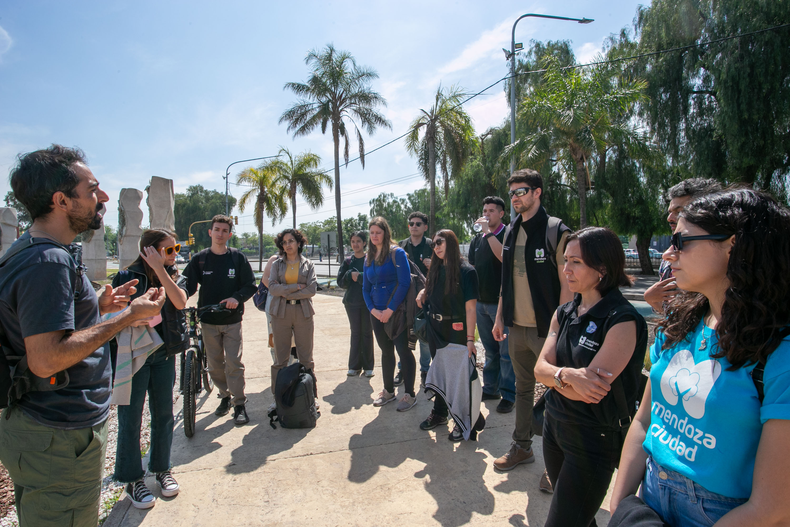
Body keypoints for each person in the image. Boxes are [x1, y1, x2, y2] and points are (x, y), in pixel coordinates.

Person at [0, 145, 166, 526]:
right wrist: (127, 316)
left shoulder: (29, 249)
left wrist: (95, 306)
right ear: (61, 200)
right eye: (92, 189)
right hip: (57, 436)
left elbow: (39, 327)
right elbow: (46, 359)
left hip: (42, 429)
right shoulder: (49, 261)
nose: (103, 197)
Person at [610, 189, 790, 526]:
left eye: (681, 241)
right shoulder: (678, 324)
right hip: (650, 498)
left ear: (733, 246)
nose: (668, 253)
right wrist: (620, 507)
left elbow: (773, 507)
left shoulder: (780, 351)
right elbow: (645, 422)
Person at [533, 227, 647, 527]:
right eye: (565, 260)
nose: (566, 269)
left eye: (576, 262)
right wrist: (567, 374)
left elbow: (589, 391)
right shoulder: (565, 312)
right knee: (577, 516)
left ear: (602, 268)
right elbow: (538, 369)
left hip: (593, 439)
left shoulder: (622, 319)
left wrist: (554, 378)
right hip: (554, 427)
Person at [492, 169, 572, 483]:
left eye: (521, 191)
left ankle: (560, 464)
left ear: (537, 192)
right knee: (523, 390)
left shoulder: (556, 230)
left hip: (548, 330)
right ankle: (521, 447)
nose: (515, 198)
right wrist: (500, 317)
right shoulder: (510, 231)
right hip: (517, 328)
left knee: (560, 396)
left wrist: (562, 327)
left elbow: (569, 284)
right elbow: (506, 281)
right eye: (512, 192)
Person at [112, 229, 189, 508]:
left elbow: (180, 302)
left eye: (176, 248)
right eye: (168, 249)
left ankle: (162, 469)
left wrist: (161, 268)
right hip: (134, 355)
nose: (175, 254)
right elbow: (114, 316)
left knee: (164, 414)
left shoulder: (172, 273)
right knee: (131, 418)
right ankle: (133, 479)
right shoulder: (127, 276)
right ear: (149, 250)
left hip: (163, 353)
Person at [183, 215, 257, 426]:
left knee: (234, 363)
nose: (220, 234)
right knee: (215, 365)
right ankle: (224, 396)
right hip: (208, 320)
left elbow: (250, 285)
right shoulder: (200, 259)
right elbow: (187, 285)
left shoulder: (237, 258)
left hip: (232, 320)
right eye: (217, 229)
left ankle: (239, 404)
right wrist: (177, 296)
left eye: (225, 230)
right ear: (210, 232)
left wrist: (236, 298)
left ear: (229, 234)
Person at [416, 230, 485, 440]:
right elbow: (430, 289)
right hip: (436, 331)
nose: (435, 246)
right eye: (434, 244)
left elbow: (471, 309)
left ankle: (466, 421)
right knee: (442, 375)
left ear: (452, 244)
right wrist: (423, 291)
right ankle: (440, 413)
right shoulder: (436, 269)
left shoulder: (467, 271)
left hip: (457, 331)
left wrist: (471, 340)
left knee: (460, 379)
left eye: (440, 242)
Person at [644, 178, 722, 314]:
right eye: (670, 211)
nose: (669, 218)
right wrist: (653, 301)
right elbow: (670, 314)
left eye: (679, 211)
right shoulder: (667, 260)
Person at [363, 217, 417, 412]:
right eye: (372, 233)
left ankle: (410, 394)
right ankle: (388, 391)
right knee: (386, 352)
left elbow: (404, 283)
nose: (375, 236)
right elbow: (365, 287)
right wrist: (373, 310)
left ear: (385, 232)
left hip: (397, 312)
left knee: (403, 351)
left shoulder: (397, 253)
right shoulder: (369, 256)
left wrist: (389, 310)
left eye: (378, 232)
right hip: (376, 313)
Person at [468, 195, 515, 414]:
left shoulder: (508, 234)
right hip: (481, 303)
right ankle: (491, 389)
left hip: (501, 304)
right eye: (484, 210)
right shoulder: (477, 240)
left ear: (501, 213)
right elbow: (472, 267)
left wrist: (488, 232)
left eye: (491, 211)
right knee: (490, 350)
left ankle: (508, 394)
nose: (486, 214)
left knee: (506, 352)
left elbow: (504, 259)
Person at [268, 229, 318, 394]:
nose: (287, 245)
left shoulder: (308, 264)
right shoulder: (277, 264)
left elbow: (311, 289)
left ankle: (310, 396)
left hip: (303, 312)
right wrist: (294, 287)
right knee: (280, 359)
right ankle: (279, 397)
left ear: (298, 243)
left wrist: (285, 290)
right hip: (280, 313)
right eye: (284, 242)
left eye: (291, 241)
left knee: (306, 358)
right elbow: (273, 288)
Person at [398, 211, 432, 388]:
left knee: (424, 336)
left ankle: (425, 371)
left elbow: (445, 270)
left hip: (426, 298)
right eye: (411, 223)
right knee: (404, 335)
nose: (414, 226)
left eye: (418, 223)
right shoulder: (401, 246)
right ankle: (403, 369)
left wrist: (433, 264)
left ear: (425, 227)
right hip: (405, 298)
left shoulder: (432, 245)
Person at [337, 231, 374, 377]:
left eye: (358, 241)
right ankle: (354, 366)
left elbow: (375, 279)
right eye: (353, 241)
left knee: (367, 332)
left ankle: (368, 367)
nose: (355, 244)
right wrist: (348, 275)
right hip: (351, 303)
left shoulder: (371, 259)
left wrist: (359, 277)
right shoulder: (347, 262)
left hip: (368, 303)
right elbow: (340, 282)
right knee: (356, 332)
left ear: (364, 243)